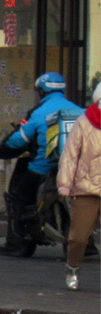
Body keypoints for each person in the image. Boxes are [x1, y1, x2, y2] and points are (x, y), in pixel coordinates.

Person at [0, 72, 83, 257]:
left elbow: (18, 140)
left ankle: (17, 244)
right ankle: (86, 243)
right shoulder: (80, 111)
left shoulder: (39, 113)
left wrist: (0, 151)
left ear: (42, 91)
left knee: (17, 198)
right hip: (76, 170)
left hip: (42, 168)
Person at [57, 80, 101, 290]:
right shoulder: (84, 122)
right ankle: (72, 269)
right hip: (85, 189)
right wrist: (65, 184)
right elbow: (70, 156)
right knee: (79, 237)